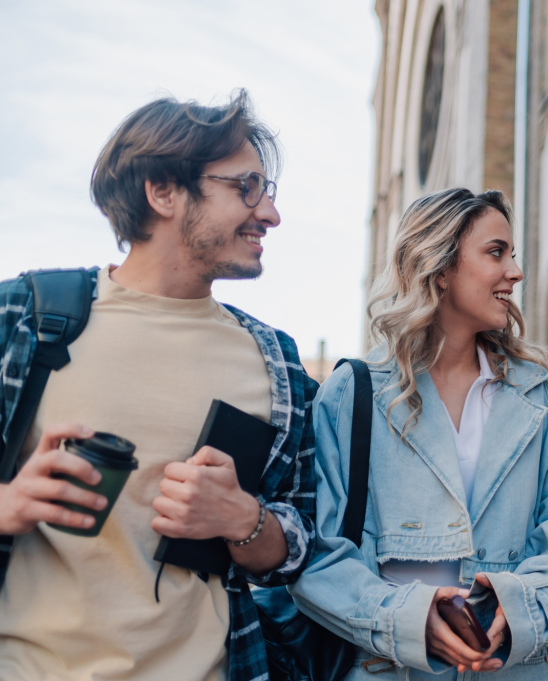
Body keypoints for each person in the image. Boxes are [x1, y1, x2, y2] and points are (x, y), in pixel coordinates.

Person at [0, 90, 318, 681]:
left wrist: (243, 520)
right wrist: (8, 503)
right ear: (164, 191)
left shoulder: (277, 362)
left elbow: (300, 545)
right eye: (246, 187)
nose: (270, 213)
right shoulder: (24, 317)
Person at [290, 188, 548, 680]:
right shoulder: (350, 394)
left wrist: (520, 609)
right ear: (439, 268)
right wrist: (406, 622)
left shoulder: (542, 397)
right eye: (496, 252)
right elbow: (317, 555)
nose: (516, 272)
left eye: (513, 254)